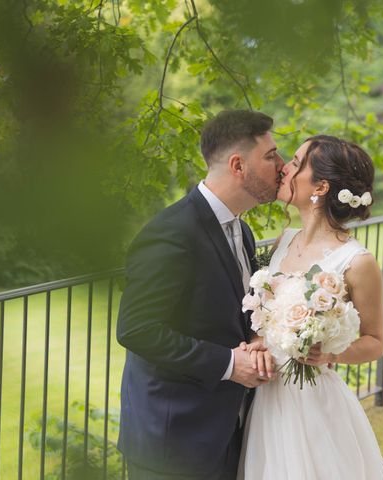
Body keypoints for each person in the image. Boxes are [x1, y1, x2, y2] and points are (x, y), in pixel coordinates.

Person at [116, 110, 283, 479]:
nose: (282, 166)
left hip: (225, 430)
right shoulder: (171, 233)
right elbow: (137, 329)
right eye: (271, 156)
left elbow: (233, 314)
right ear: (238, 165)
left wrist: (257, 339)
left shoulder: (242, 230)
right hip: (173, 440)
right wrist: (228, 364)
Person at [238, 135, 383, 479]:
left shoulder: (357, 261)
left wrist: (329, 354)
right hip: (266, 401)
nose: (285, 168)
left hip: (312, 405)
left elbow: (375, 342)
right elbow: (264, 323)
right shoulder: (284, 239)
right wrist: (260, 341)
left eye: (295, 161)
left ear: (320, 186)